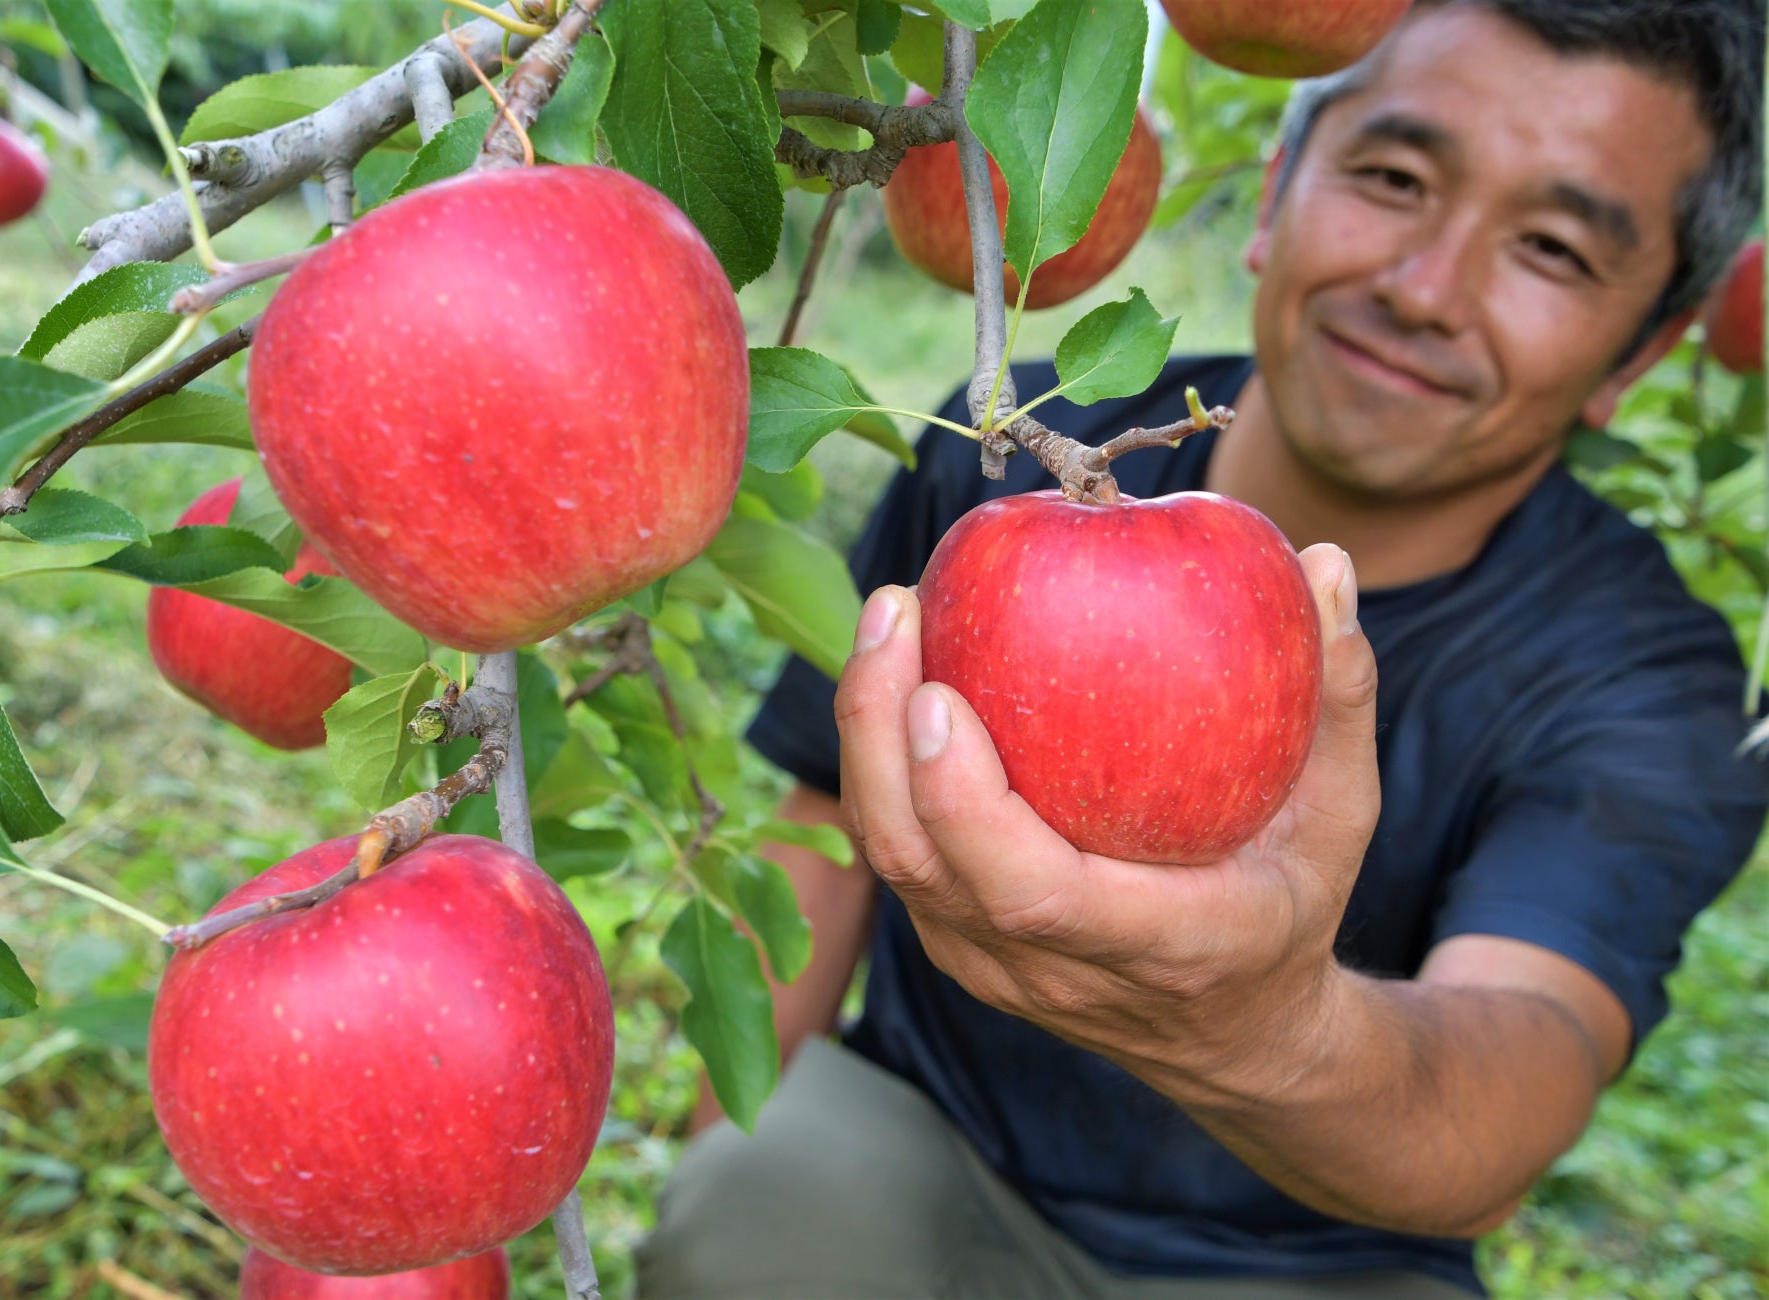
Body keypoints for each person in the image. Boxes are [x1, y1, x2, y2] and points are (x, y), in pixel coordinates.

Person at [636, 1, 1769, 1296]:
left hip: (1312, 1258)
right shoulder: (1013, 457)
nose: (1423, 288)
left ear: (1641, 352)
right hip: (927, 1157)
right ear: (1276, 193)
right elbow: (826, 831)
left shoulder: (1641, 672)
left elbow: (1521, 1069)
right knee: (755, 1195)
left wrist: (1265, 1034)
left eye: (1553, 250)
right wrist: (713, 1145)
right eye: (1393, 178)